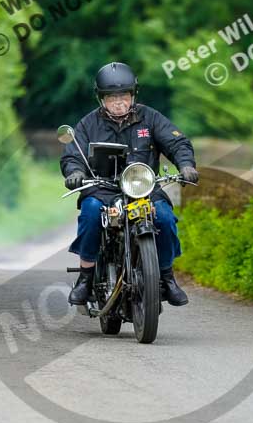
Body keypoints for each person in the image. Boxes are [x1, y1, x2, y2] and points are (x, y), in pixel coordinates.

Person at [60, 61, 199, 307]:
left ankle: (167, 277)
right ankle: (86, 277)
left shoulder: (150, 118)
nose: (119, 102)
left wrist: (186, 165)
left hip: (144, 189)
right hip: (102, 189)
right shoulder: (88, 124)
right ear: (101, 98)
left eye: (124, 96)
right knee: (90, 213)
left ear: (133, 95)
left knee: (165, 218)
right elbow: (73, 155)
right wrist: (75, 172)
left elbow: (177, 143)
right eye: (111, 97)